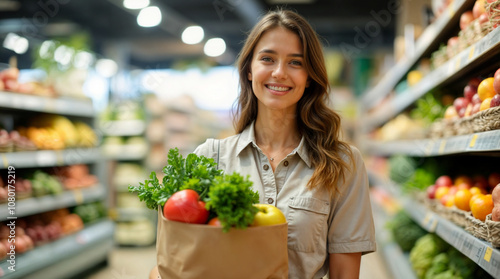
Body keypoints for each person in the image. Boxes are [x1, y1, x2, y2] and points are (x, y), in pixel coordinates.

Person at [192, 8, 376, 279]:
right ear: (249, 71)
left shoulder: (342, 163)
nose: (279, 73)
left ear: (310, 76)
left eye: (295, 63)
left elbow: (344, 275)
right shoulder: (209, 158)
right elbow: (179, 258)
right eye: (267, 58)